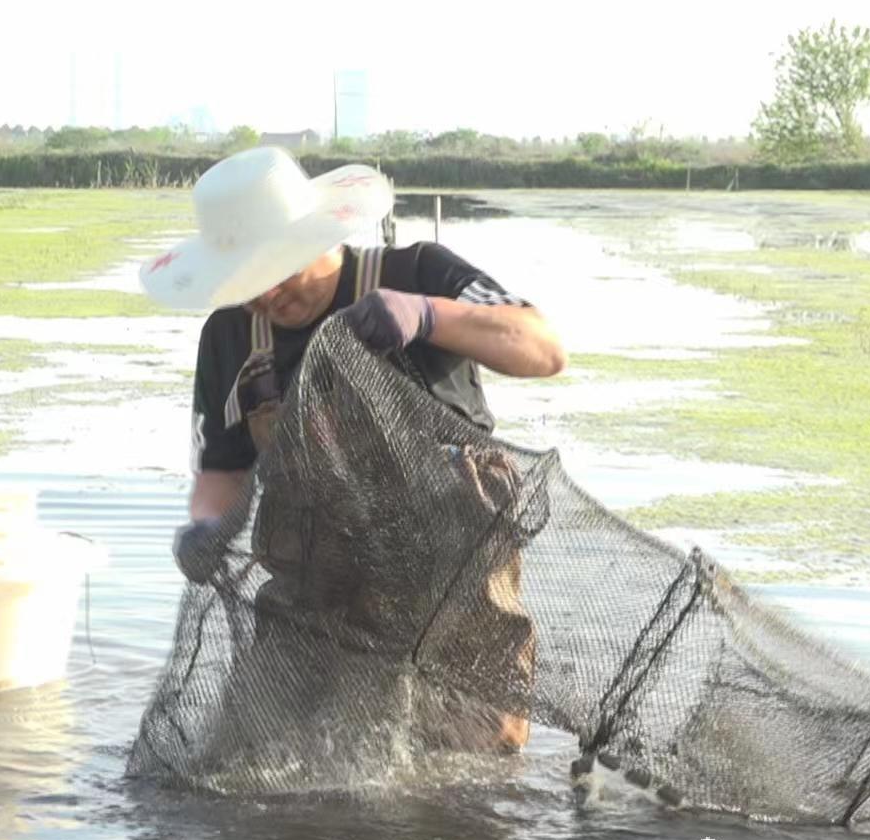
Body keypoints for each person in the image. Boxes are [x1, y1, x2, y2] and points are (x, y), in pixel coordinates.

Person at [140, 145, 567, 753]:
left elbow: (543, 347)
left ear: (315, 237)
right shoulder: (230, 335)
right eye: (244, 282)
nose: (264, 296)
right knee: (258, 743)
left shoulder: (419, 272)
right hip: (316, 573)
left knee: (473, 753)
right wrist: (204, 527)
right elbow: (222, 468)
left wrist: (429, 316)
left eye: (275, 272)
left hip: (455, 562)